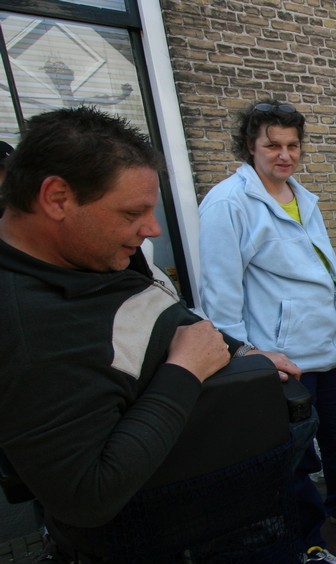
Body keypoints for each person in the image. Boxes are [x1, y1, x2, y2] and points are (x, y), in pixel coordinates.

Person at [0, 106, 300, 531]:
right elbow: (87, 495)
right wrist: (185, 370)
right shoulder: (25, 327)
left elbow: (159, 315)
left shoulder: (87, 254)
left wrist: (241, 352)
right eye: (131, 213)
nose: (152, 230)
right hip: (161, 536)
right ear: (57, 198)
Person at [197, 98, 336, 552]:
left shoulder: (302, 196)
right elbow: (220, 297)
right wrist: (247, 358)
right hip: (283, 361)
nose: (285, 155)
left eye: (293, 145)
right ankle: (307, 544)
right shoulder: (228, 203)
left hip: (330, 350)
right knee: (296, 456)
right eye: (273, 145)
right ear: (250, 145)